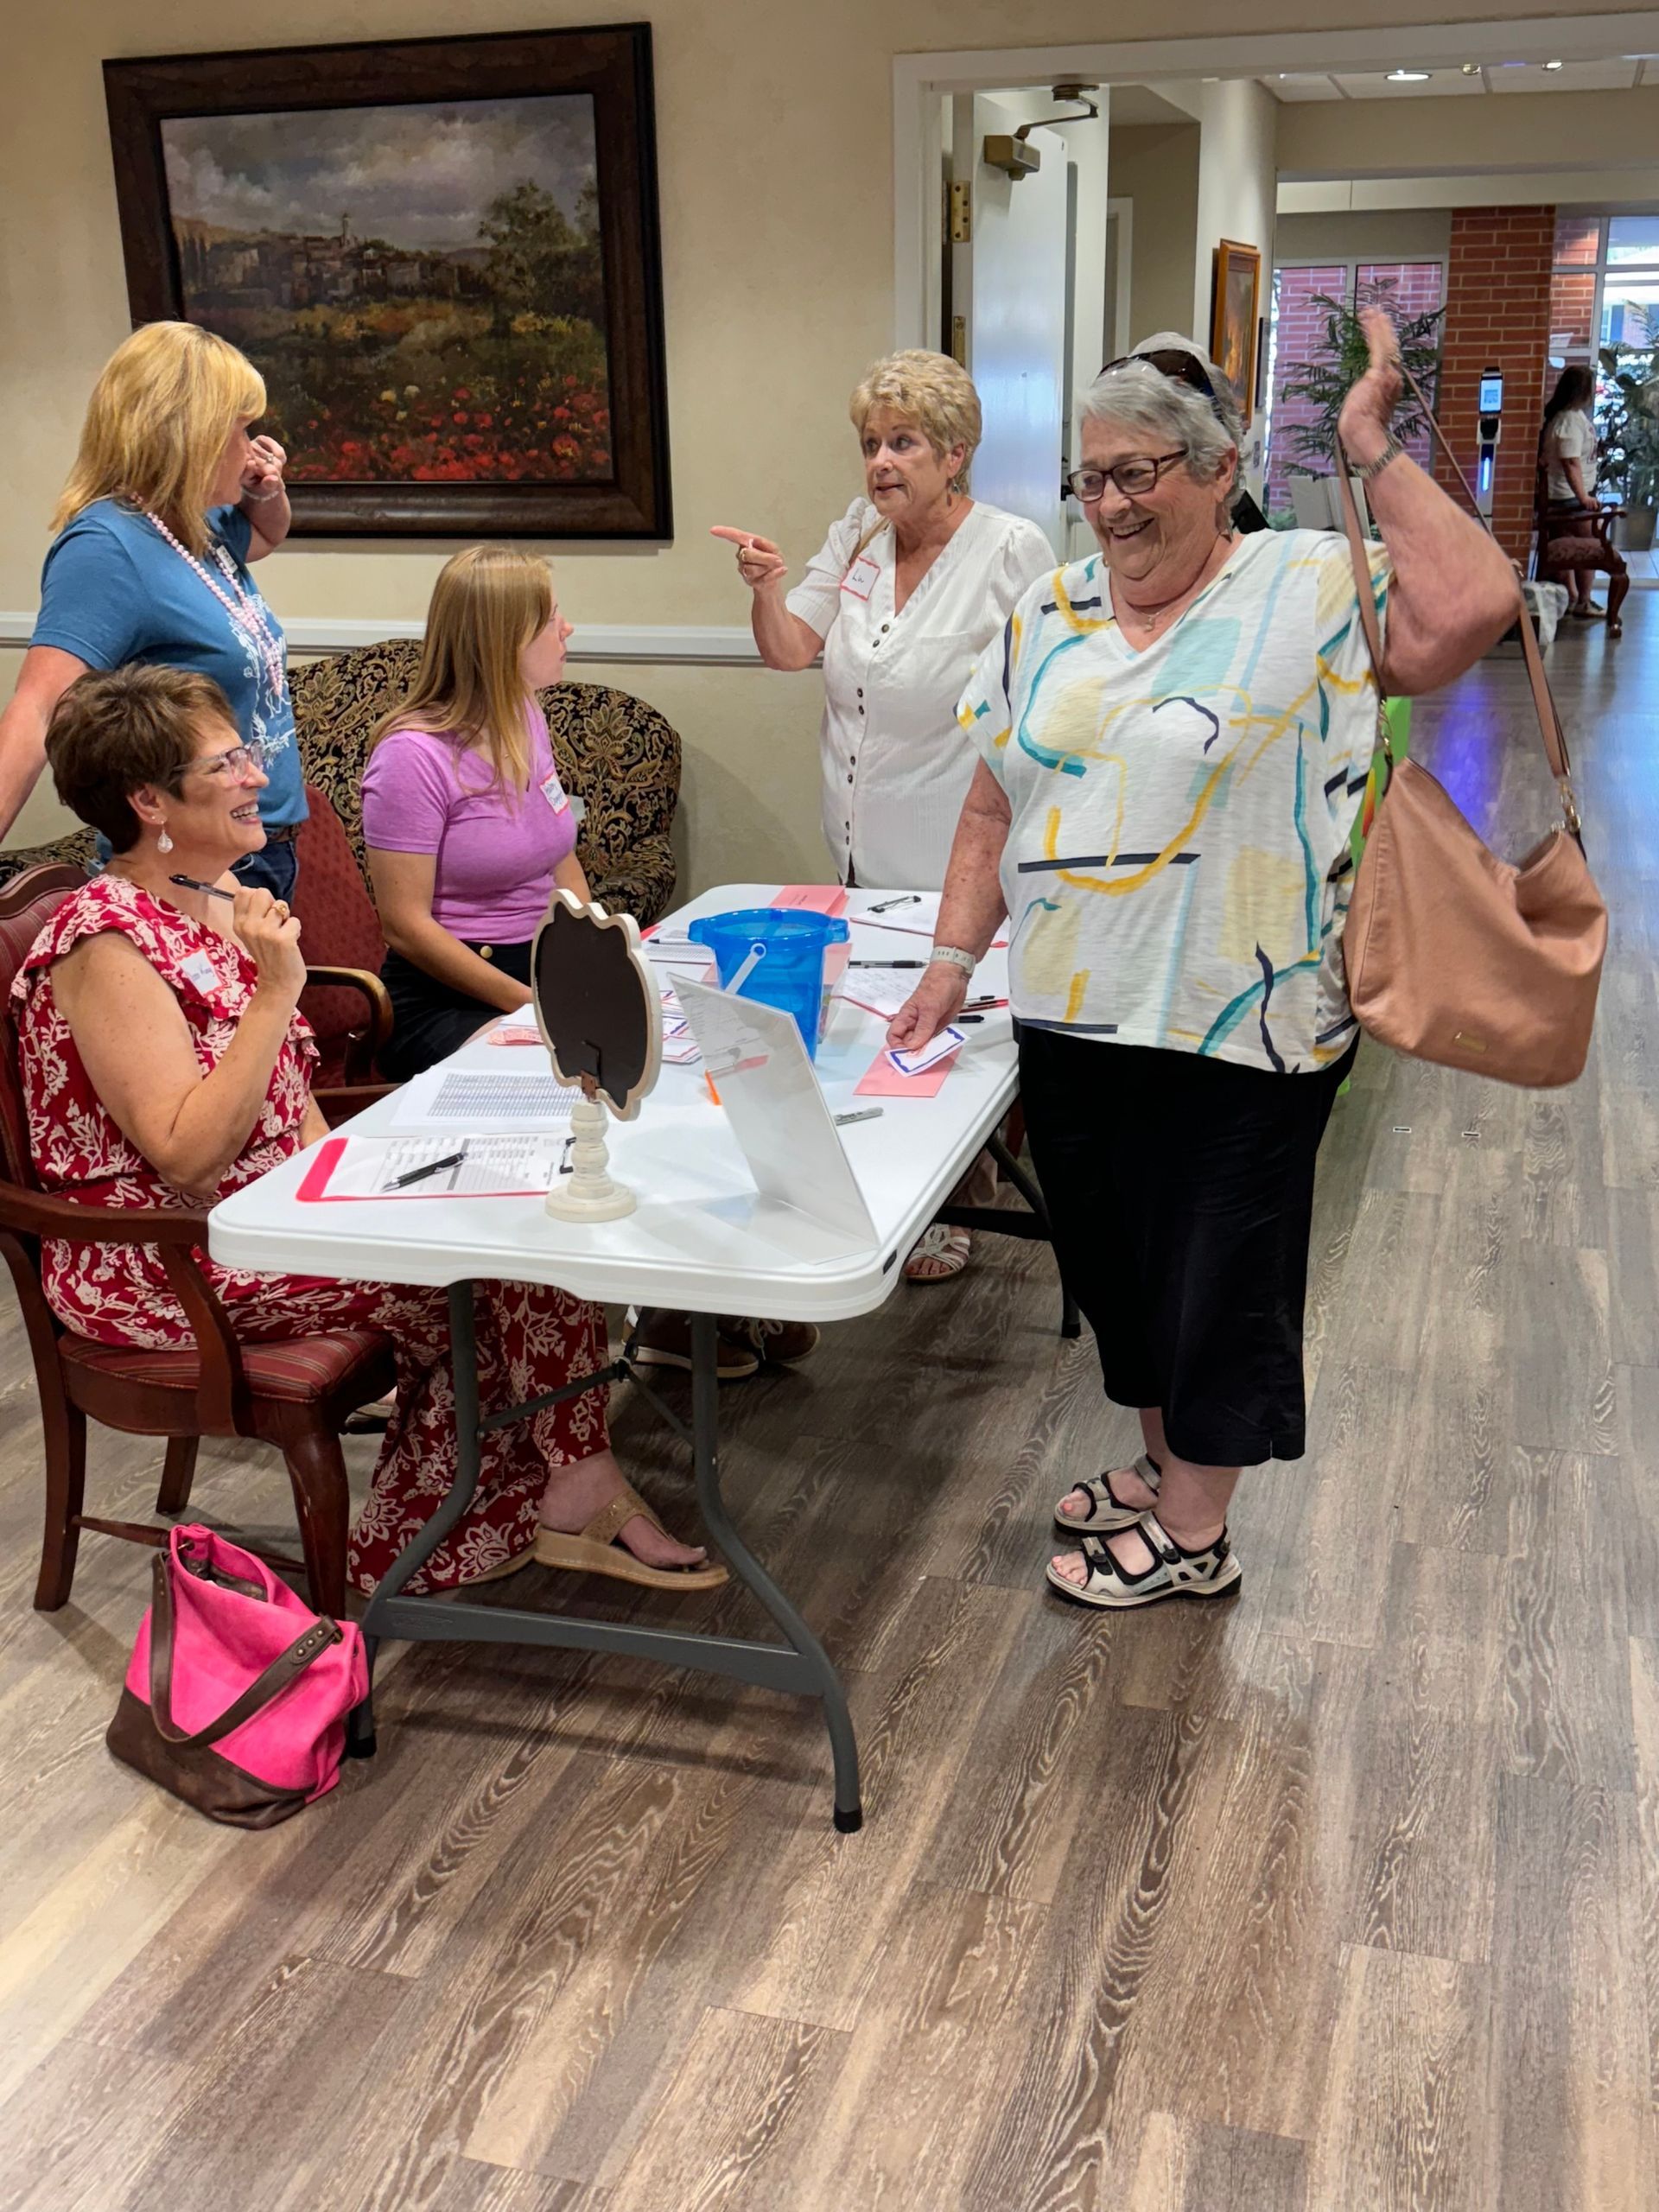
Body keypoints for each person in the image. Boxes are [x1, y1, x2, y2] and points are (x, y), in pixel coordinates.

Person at [887, 315, 1519, 1613]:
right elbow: (993, 803)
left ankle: (1194, 1532)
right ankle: (1164, 1466)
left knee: (1219, 1276)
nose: (1111, 506)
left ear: (1220, 466)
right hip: (1070, 1011)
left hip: (1248, 1021)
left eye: (1140, 475)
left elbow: (1475, 605)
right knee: (1120, 1271)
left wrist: (1369, 447)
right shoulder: (1049, 607)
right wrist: (954, 965)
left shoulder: (1310, 582)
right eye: (1092, 477)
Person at [15, 663, 722, 1598]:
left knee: (523, 1209)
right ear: (149, 799)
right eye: (226, 763)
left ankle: (528, 1493)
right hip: (166, 1260)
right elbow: (186, 1153)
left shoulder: (223, 899)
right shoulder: (104, 940)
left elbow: (289, 1099)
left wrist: (371, 1189)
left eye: (247, 753)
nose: (258, 776)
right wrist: (277, 995)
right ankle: (472, 1521)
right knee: (498, 1259)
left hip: (269, 1214)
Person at [715, 350, 1055, 1283]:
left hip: (959, 845)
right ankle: (908, 1194)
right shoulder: (859, 537)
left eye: (903, 442)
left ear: (956, 452)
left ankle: (964, 1195)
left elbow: (1045, 697)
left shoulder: (1012, 549)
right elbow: (793, 651)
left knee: (953, 1026)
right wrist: (767, 590)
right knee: (884, 1026)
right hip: (858, 842)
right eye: (871, 444)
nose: (881, 463)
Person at [0, 322, 307, 898]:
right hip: (190, 856)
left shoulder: (192, 522)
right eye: (240, 431)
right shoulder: (106, 546)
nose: (250, 448)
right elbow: (40, 708)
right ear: (188, 435)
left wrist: (267, 490)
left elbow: (265, 539)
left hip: (256, 844)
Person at [362, 546, 588, 1080]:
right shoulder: (412, 755)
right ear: (503, 639)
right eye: (553, 618)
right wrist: (532, 1005)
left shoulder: (524, 712)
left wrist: (598, 952)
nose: (568, 629)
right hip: (448, 994)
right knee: (560, 1078)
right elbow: (405, 926)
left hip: (538, 970)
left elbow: (562, 859)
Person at [1540, 364, 1629, 632]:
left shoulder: (1574, 417)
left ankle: (1574, 598)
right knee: (1589, 549)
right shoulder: (1567, 420)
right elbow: (1569, 463)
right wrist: (1584, 498)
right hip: (1568, 500)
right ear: (1582, 391)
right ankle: (1583, 600)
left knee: (1574, 550)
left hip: (1572, 496)